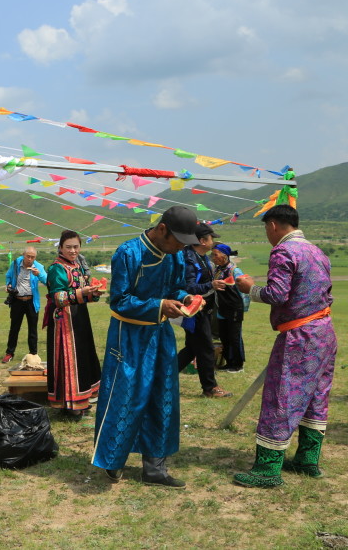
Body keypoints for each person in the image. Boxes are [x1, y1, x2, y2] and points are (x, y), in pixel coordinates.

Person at [91, 206, 201, 487]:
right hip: (127, 335)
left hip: (160, 334)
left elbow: (174, 288)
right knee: (125, 396)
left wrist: (184, 298)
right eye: (178, 240)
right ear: (162, 229)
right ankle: (113, 460)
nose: (180, 248)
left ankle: (155, 468)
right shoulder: (128, 253)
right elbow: (119, 300)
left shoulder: (174, 256)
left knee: (162, 398)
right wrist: (159, 305)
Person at [233, 205, 337, 487]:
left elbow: (277, 294)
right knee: (316, 395)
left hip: (299, 335)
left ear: (274, 225)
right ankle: (307, 460)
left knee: (282, 395)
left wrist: (250, 288)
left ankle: (267, 471)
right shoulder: (317, 251)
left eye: (266, 228)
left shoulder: (283, 251)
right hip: (323, 332)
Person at [43, 230, 103, 417]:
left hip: (79, 316)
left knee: (82, 357)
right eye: (68, 247)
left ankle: (81, 400)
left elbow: (83, 294)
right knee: (69, 360)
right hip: (63, 320)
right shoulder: (56, 268)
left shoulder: (77, 265)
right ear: (60, 247)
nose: (73, 250)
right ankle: (69, 404)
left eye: (76, 246)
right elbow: (58, 297)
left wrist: (94, 293)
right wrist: (82, 293)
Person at [177, 222, 231, 398]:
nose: (213, 242)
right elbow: (189, 287)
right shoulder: (189, 259)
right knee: (206, 348)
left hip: (203, 309)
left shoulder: (202, 257)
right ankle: (210, 388)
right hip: (196, 310)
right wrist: (211, 284)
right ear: (201, 241)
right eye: (210, 239)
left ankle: (162, 376)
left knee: (192, 349)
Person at [2, 247, 47, 364]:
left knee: (32, 329)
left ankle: (33, 354)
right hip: (17, 300)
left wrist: (38, 275)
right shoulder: (16, 263)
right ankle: (9, 353)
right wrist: (8, 285)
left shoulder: (38, 266)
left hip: (31, 301)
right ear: (23, 255)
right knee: (14, 328)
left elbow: (47, 280)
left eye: (33, 257)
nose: (30, 259)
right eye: (28, 256)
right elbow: (8, 276)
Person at [212, 243, 248, 373]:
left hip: (234, 309)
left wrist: (243, 308)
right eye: (212, 255)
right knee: (224, 336)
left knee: (234, 336)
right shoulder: (217, 270)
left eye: (215, 254)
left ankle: (238, 364)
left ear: (224, 255)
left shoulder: (235, 271)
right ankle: (228, 362)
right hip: (221, 308)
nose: (213, 257)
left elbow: (244, 291)